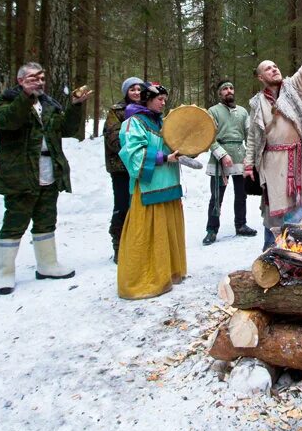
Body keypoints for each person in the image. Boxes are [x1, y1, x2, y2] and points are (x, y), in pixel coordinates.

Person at [0, 62, 91, 295]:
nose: (39, 81)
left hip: (49, 170)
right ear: (20, 81)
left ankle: (47, 264)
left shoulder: (50, 105)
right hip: (20, 173)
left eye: (41, 77)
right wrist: (25, 96)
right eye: (32, 77)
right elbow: (8, 122)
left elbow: (67, 130)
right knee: (15, 222)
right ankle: (5, 273)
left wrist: (75, 107)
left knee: (46, 219)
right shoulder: (6, 101)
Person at [245, 12, 302, 250]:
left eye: (275, 66)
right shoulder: (256, 103)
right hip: (272, 164)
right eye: (267, 68)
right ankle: (272, 255)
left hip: (298, 161)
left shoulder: (294, 86)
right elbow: (254, 138)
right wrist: (247, 165)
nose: (273, 69)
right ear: (260, 77)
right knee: (273, 214)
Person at [117, 82, 187, 299]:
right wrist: (163, 157)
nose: (163, 102)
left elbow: (174, 144)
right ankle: (143, 280)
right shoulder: (133, 122)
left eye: (165, 99)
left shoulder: (162, 123)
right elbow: (132, 153)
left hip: (169, 185)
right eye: (160, 98)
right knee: (146, 233)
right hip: (150, 188)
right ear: (147, 98)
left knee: (167, 230)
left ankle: (168, 271)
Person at [203, 81, 256, 245]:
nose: (229, 91)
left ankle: (241, 225)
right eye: (225, 89)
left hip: (240, 156)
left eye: (231, 88)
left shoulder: (242, 112)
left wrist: (251, 157)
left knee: (242, 194)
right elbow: (209, 137)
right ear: (220, 93)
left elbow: (250, 135)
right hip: (220, 157)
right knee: (216, 197)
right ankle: (211, 230)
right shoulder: (213, 111)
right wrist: (222, 154)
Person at [104, 77, 143, 262]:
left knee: (139, 205)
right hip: (121, 168)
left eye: (139, 89)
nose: (136, 92)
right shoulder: (116, 111)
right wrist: (134, 151)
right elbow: (113, 138)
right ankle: (118, 245)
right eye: (132, 89)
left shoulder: (145, 110)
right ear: (126, 92)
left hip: (141, 167)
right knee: (122, 205)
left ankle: (136, 244)